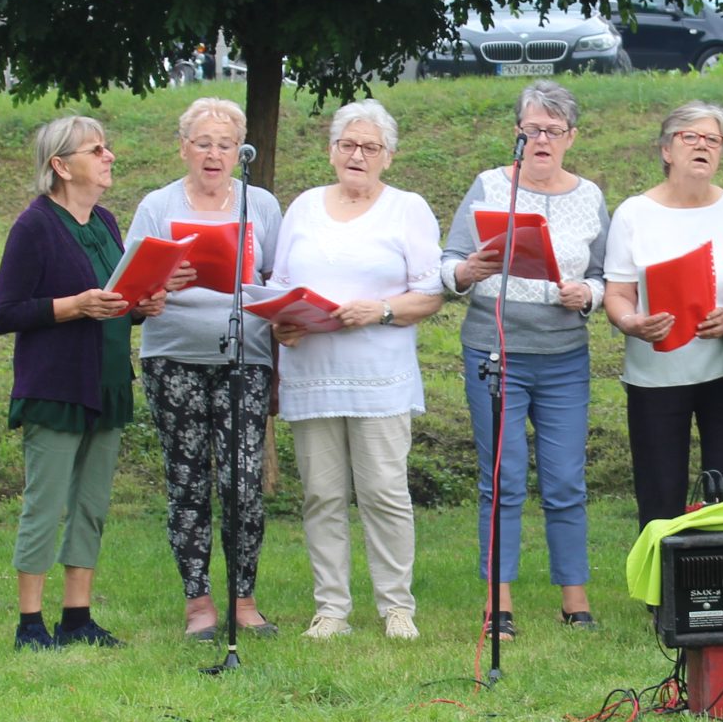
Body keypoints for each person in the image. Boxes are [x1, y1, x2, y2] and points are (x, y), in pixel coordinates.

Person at [0, 115, 171, 651]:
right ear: (61, 166)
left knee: (92, 505)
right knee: (45, 505)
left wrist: (140, 307)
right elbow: (5, 313)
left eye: (106, 147)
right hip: (56, 387)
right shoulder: (34, 226)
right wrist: (74, 306)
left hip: (107, 381)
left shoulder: (106, 222)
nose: (109, 156)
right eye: (96, 150)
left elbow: (114, 299)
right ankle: (29, 623)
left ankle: (77, 616)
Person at [268, 100, 444, 640]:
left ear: (388, 156)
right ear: (331, 151)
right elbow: (278, 284)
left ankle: (396, 607)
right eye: (348, 144)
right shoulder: (303, 206)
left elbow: (431, 292)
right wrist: (281, 321)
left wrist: (381, 310)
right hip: (311, 372)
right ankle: (331, 610)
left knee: (384, 492)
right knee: (321, 495)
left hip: (378, 378)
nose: (358, 155)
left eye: (370, 147)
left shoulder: (407, 209)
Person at [440, 80, 610, 636]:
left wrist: (588, 294)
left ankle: (574, 599)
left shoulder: (589, 195)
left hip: (563, 356)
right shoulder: (490, 186)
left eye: (554, 131)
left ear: (571, 137)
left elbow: (605, 276)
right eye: (533, 129)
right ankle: (499, 602)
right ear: (517, 133)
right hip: (495, 350)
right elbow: (450, 262)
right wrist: (467, 271)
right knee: (503, 476)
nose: (542, 140)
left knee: (565, 479)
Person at [126, 97, 285, 641]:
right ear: (183, 148)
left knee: (242, 481)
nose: (213, 155)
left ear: (239, 151)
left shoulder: (260, 204)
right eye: (202, 144)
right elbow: (129, 290)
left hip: (245, 356)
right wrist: (158, 283)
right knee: (187, 478)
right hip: (173, 358)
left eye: (225, 145)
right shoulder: (158, 205)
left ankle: (244, 598)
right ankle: (198, 602)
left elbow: (278, 278)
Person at [603, 101, 723, 526]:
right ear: (666, 150)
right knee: (660, 499)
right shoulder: (634, 213)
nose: (702, 146)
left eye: (713, 139)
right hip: (655, 377)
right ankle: (662, 573)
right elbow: (617, 293)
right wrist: (631, 323)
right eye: (689, 137)